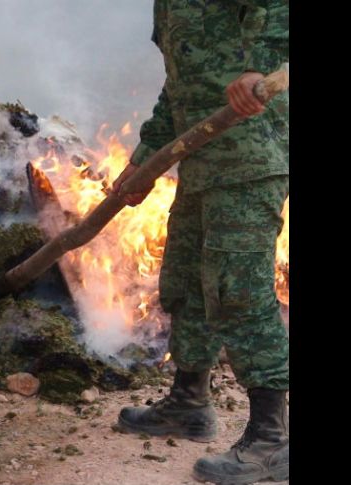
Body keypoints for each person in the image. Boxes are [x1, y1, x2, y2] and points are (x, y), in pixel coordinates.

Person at [111, 1, 289, 483]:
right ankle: (189, 403)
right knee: (187, 280)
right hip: (203, 161)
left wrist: (258, 66)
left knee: (240, 292)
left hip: (252, 155)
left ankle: (273, 441)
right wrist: (146, 160)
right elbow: (179, 88)